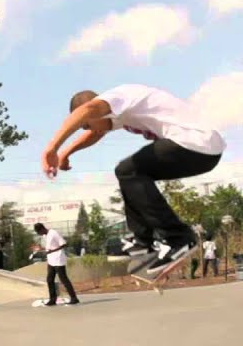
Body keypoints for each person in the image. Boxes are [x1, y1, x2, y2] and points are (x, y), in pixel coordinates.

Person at [41, 85, 225, 276]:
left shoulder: (118, 97)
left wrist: (52, 148)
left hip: (196, 143)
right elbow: (95, 132)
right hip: (204, 152)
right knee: (131, 174)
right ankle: (143, 243)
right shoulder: (118, 113)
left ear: (94, 113)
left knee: (129, 170)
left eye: (85, 125)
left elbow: (87, 110)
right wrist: (66, 153)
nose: (89, 130)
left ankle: (179, 238)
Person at [33, 222, 79, 306]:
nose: (39, 234)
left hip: (58, 260)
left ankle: (74, 298)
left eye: (38, 232)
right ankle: (52, 299)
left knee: (63, 279)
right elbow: (50, 246)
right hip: (51, 261)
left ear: (42, 229)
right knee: (50, 280)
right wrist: (41, 249)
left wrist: (52, 251)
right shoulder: (44, 236)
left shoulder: (54, 233)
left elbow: (63, 244)